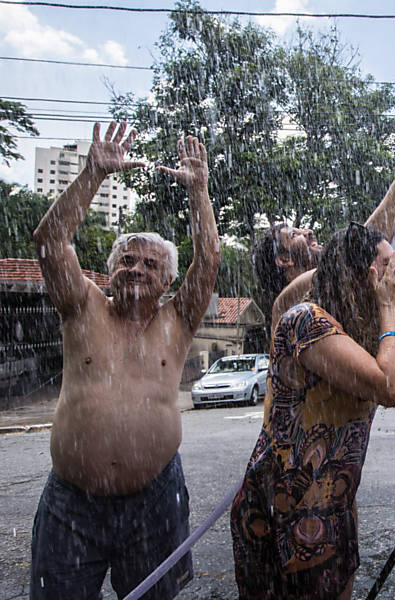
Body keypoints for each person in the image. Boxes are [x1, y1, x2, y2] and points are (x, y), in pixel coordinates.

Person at [29, 124, 220, 599]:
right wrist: (92, 173)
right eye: (127, 260)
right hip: (72, 502)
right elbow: (50, 241)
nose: (136, 268)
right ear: (110, 271)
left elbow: (210, 258)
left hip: (155, 499)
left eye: (150, 265)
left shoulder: (177, 320)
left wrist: (199, 191)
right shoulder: (83, 306)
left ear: (168, 283)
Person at [231, 222, 395, 600]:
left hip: (334, 505)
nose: (393, 277)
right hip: (284, 507)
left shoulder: (363, 329)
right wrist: (389, 304)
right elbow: (392, 389)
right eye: (386, 267)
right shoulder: (306, 320)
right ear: (355, 274)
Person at [253, 141, 395, 329]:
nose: (308, 232)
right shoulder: (288, 302)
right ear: (284, 259)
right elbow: (360, 248)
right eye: (294, 234)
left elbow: (385, 249)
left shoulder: (331, 290)